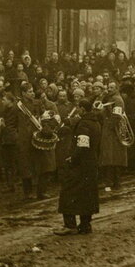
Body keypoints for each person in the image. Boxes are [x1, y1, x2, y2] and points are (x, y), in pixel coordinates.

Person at [57, 99, 102, 234]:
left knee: (68, 192)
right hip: (91, 164)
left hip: (80, 165)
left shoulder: (83, 125)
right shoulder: (96, 123)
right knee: (87, 195)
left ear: (82, 109)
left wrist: (72, 158)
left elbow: (82, 146)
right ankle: (85, 224)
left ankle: (70, 225)